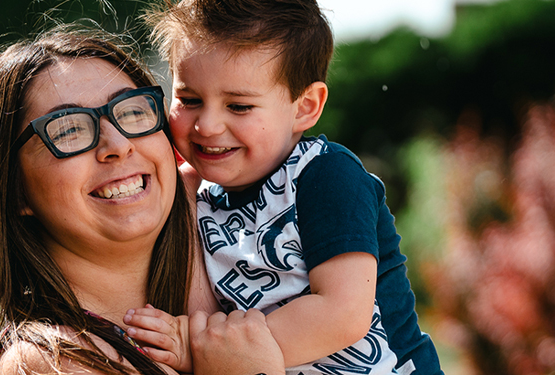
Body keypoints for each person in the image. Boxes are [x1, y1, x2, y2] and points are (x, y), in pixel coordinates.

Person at [125, 0, 443, 374]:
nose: (207, 125)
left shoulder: (325, 176)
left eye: (239, 106)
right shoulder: (197, 193)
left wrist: (202, 347)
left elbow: (341, 313)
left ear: (305, 106)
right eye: (189, 100)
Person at [0, 25, 285, 375]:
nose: (118, 145)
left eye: (132, 112)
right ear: (14, 189)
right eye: (68, 130)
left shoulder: (243, 288)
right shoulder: (53, 362)